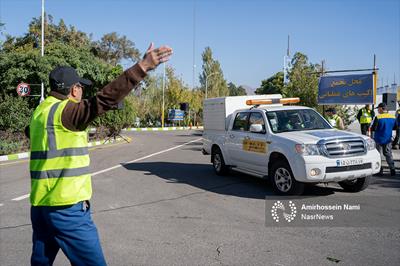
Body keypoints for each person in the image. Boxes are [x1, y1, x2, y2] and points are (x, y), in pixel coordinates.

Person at [28, 43, 173, 266]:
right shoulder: (67, 112)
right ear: (74, 89)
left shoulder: (40, 112)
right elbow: (103, 100)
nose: (82, 92)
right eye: (81, 88)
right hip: (66, 208)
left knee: (40, 262)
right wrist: (143, 66)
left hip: (40, 207)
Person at [371, 102, 397, 176]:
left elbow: (374, 128)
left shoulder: (378, 117)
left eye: (378, 109)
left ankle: (379, 170)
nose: (377, 110)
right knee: (388, 154)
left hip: (378, 139)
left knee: (378, 155)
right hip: (388, 139)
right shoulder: (393, 117)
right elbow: (395, 127)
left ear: (381, 109)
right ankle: (392, 169)